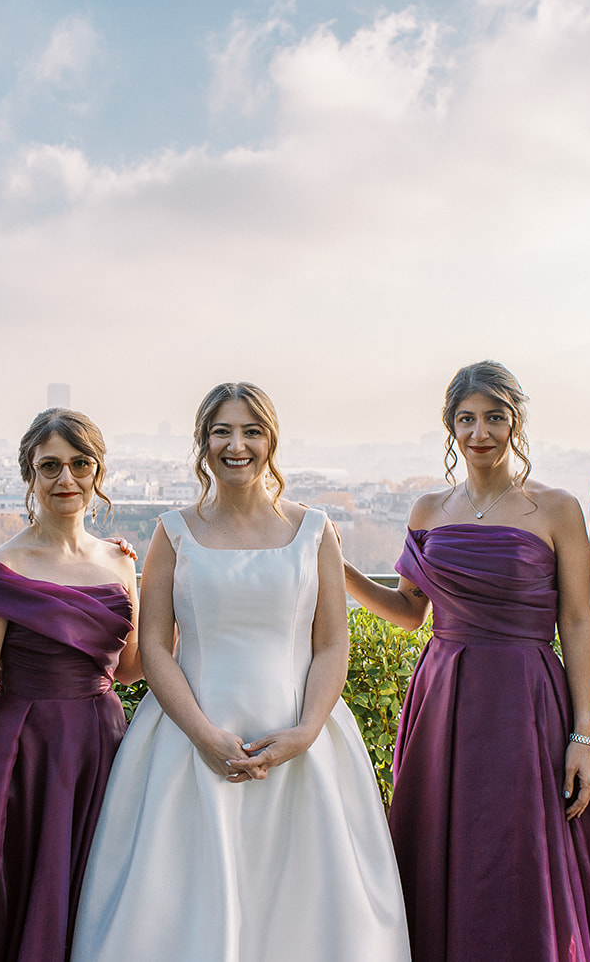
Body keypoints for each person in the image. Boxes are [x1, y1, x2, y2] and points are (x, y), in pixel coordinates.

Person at [72, 382, 411, 962]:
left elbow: (331, 645)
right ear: (202, 444)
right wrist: (203, 736)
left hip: (303, 743)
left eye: (251, 431)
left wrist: (304, 733)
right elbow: (154, 647)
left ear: (271, 440)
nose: (237, 445)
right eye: (222, 432)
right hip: (187, 744)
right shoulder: (172, 531)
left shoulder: (316, 529)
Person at [341, 361, 590, 961]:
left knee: (521, 844)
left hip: (526, 698)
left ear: (516, 423)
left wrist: (583, 734)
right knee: (444, 841)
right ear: (450, 426)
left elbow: (577, 620)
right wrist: (338, 570)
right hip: (445, 695)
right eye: (467, 419)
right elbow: (407, 611)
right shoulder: (426, 509)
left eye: (494, 417)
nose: (480, 432)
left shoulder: (555, 508)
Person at [0, 409, 141, 962]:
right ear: (29, 475)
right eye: (49, 466)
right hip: (21, 761)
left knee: (90, 900)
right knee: (18, 908)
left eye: (80, 464)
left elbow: (129, 669)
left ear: (98, 472)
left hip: (99, 752)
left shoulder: (119, 563)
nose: (66, 479)